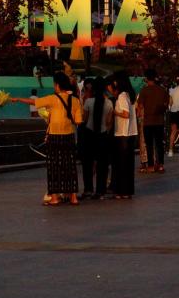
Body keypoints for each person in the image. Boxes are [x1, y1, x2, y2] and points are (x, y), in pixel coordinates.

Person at [10, 72, 83, 205]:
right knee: (70, 166)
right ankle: (73, 197)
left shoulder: (53, 98)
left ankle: (54, 197)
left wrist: (18, 99)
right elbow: (78, 121)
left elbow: (34, 102)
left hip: (55, 136)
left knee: (54, 166)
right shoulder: (75, 100)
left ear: (57, 85)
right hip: (69, 136)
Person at [80, 78, 113, 198]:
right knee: (102, 164)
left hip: (89, 134)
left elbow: (84, 119)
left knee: (87, 164)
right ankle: (100, 190)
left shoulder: (88, 102)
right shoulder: (109, 103)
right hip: (103, 135)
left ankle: (88, 189)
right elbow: (109, 122)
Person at [109, 75, 137, 199]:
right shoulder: (130, 95)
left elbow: (126, 114)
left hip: (122, 133)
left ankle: (121, 190)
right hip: (131, 133)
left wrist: (115, 112)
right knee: (128, 164)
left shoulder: (122, 96)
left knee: (121, 164)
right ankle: (127, 190)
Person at [137, 72, 168, 173]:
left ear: (147, 79)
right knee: (159, 144)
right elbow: (166, 105)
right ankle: (161, 165)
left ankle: (150, 166)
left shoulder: (144, 90)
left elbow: (140, 106)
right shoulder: (162, 90)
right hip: (159, 121)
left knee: (149, 144)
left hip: (148, 122)